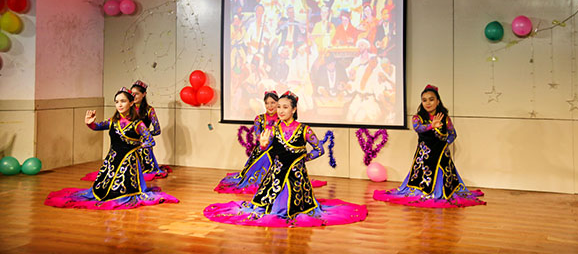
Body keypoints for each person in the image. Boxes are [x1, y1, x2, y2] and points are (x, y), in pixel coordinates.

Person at [204, 91, 367, 227]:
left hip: (296, 177)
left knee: (291, 207)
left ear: (294, 109)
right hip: (275, 175)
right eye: (279, 107)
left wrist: (302, 159)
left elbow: (320, 149)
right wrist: (263, 145)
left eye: (285, 107)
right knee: (266, 207)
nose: (280, 111)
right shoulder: (274, 130)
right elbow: (267, 150)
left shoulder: (304, 130)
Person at [45, 88, 178, 210]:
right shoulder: (113, 121)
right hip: (112, 160)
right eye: (117, 102)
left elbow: (150, 140)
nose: (119, 105)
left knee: (121, 192)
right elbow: (97, 126)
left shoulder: (138, 124)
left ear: (131, 103)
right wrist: (89, 123)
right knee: (101, 191)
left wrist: (137, 147)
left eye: (123, 101)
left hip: (128, 162)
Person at [373, 85, 485, 208]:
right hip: (425, 156)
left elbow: (453, 134)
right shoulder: (417, 118)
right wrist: (432, 125)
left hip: (441, 155)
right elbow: (418, 128)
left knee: (443, 179)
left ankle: (440, 193)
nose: (428, 103)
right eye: (424, 100)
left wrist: (445, 144)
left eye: (431, 99)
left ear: (438, 101)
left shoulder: (445, 118)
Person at [214, 91, 280, 194]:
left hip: (278, 149)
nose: (270, 106)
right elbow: (258, 135)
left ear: (278, 103)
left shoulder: (282, 118)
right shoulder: (259, 118)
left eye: (273, 103)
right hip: (263, 148)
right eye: (267, 103)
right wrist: (266, 141)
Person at [131, 80, 172, 180]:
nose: (134, 96)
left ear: (144, 94)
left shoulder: (149, 110)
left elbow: (157, 130)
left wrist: (146, 135)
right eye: (132, 93)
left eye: (137, 94)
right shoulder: (128, 109)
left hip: (143, 144)